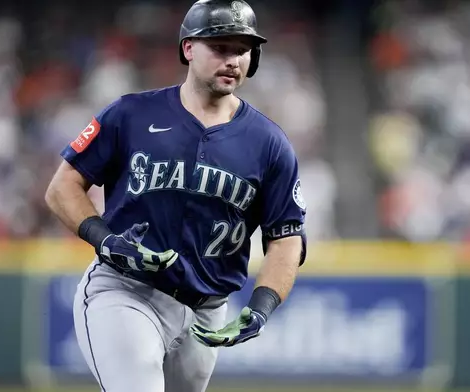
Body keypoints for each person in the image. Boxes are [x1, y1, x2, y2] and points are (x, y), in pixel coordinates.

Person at [44, 0, 307, 391]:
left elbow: (285, 238)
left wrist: (262, 306)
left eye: (242, 49)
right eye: (220, 46)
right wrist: (105, 238)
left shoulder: (269, 143)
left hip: (207, 311)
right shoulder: (130, 114)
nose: (233, 58)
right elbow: (62, 186)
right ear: (188, 48)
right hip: (127, 290)